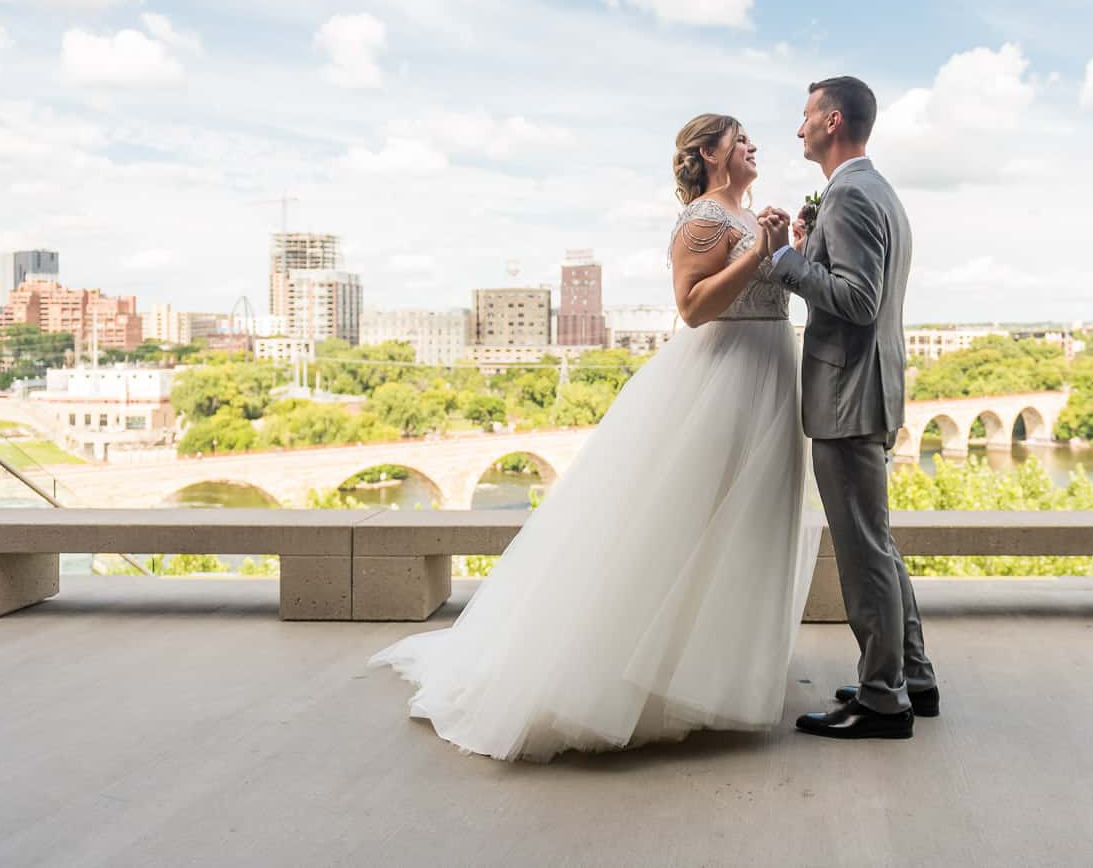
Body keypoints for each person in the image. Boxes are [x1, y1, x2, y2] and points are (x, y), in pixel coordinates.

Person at [368, 113, 819, 762]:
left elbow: (774, 287)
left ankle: (716, 680)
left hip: (771, 375)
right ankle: (644, 682)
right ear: (712, 155)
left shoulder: (753, 218)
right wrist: (757, 255)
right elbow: (692, 308)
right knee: (687, 524)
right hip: (724, 381)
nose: (753, 146)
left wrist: (789, 245)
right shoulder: (704, 220)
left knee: (745, 528)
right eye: (740, 139)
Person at [760, 75, 939, 741]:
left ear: (833, 121)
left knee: (863, 550)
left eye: (806, 115)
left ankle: (882, 698)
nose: (799, 128)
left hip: (849, 394)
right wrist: (811, 250)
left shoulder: (852, 194)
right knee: (877, 544)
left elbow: (859, 301)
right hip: (869, 387)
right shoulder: (873, 190)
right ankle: (909, 675)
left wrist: (785, 261)